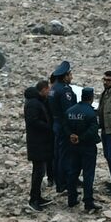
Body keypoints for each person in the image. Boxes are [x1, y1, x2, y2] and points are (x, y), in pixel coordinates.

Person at [64, 86, 101, 212]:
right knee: (88, 174)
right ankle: (88, 202)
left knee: (73, 172)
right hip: (87, 147)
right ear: (91, 98)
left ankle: (72, 198)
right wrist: (81, 137)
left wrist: (71, 135)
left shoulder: (70, 111)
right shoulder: (91, 113)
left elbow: (64, 126)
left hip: (72, 146)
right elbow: (93, 130)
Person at [24, 80, 54, 211]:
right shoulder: (33, 104)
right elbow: (33, 121)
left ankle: (37, 196)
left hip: (41, 142)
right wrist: (49, 127)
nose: (49, 92)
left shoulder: (38, 101)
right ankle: (33, 200)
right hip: (37, 142)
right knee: (38, 171)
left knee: (40, 171)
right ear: (43, 89)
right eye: (48, 89)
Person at [49, 62, 75, 195]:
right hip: (64, 126)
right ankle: (63, 183)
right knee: (64, 155)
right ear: (65, 77)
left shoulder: (53, 88)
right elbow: (69, 111)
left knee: (58, 154)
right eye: (69, 74)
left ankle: (60, 180)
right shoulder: (64, 90)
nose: (71, 77)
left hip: (56, 123)